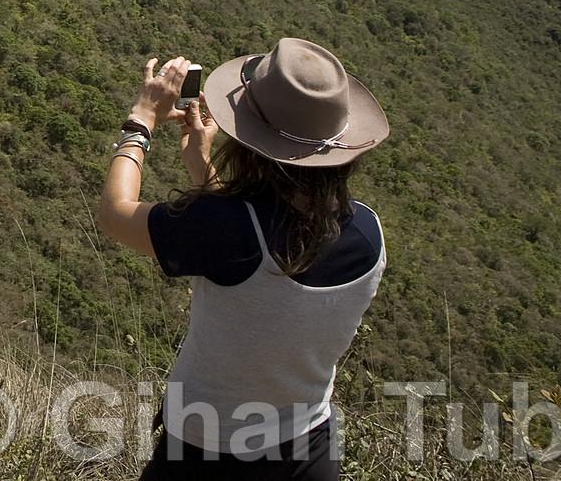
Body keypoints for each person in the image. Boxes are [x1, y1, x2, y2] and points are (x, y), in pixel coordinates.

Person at [92, 38, 389, 478]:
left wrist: (141, 121)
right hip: (309, 447)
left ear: (251, 143)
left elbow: (115, 214)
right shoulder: (368, 232)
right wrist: (201, 166)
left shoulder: (226, 230)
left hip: (208, 451)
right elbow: (259, 257)